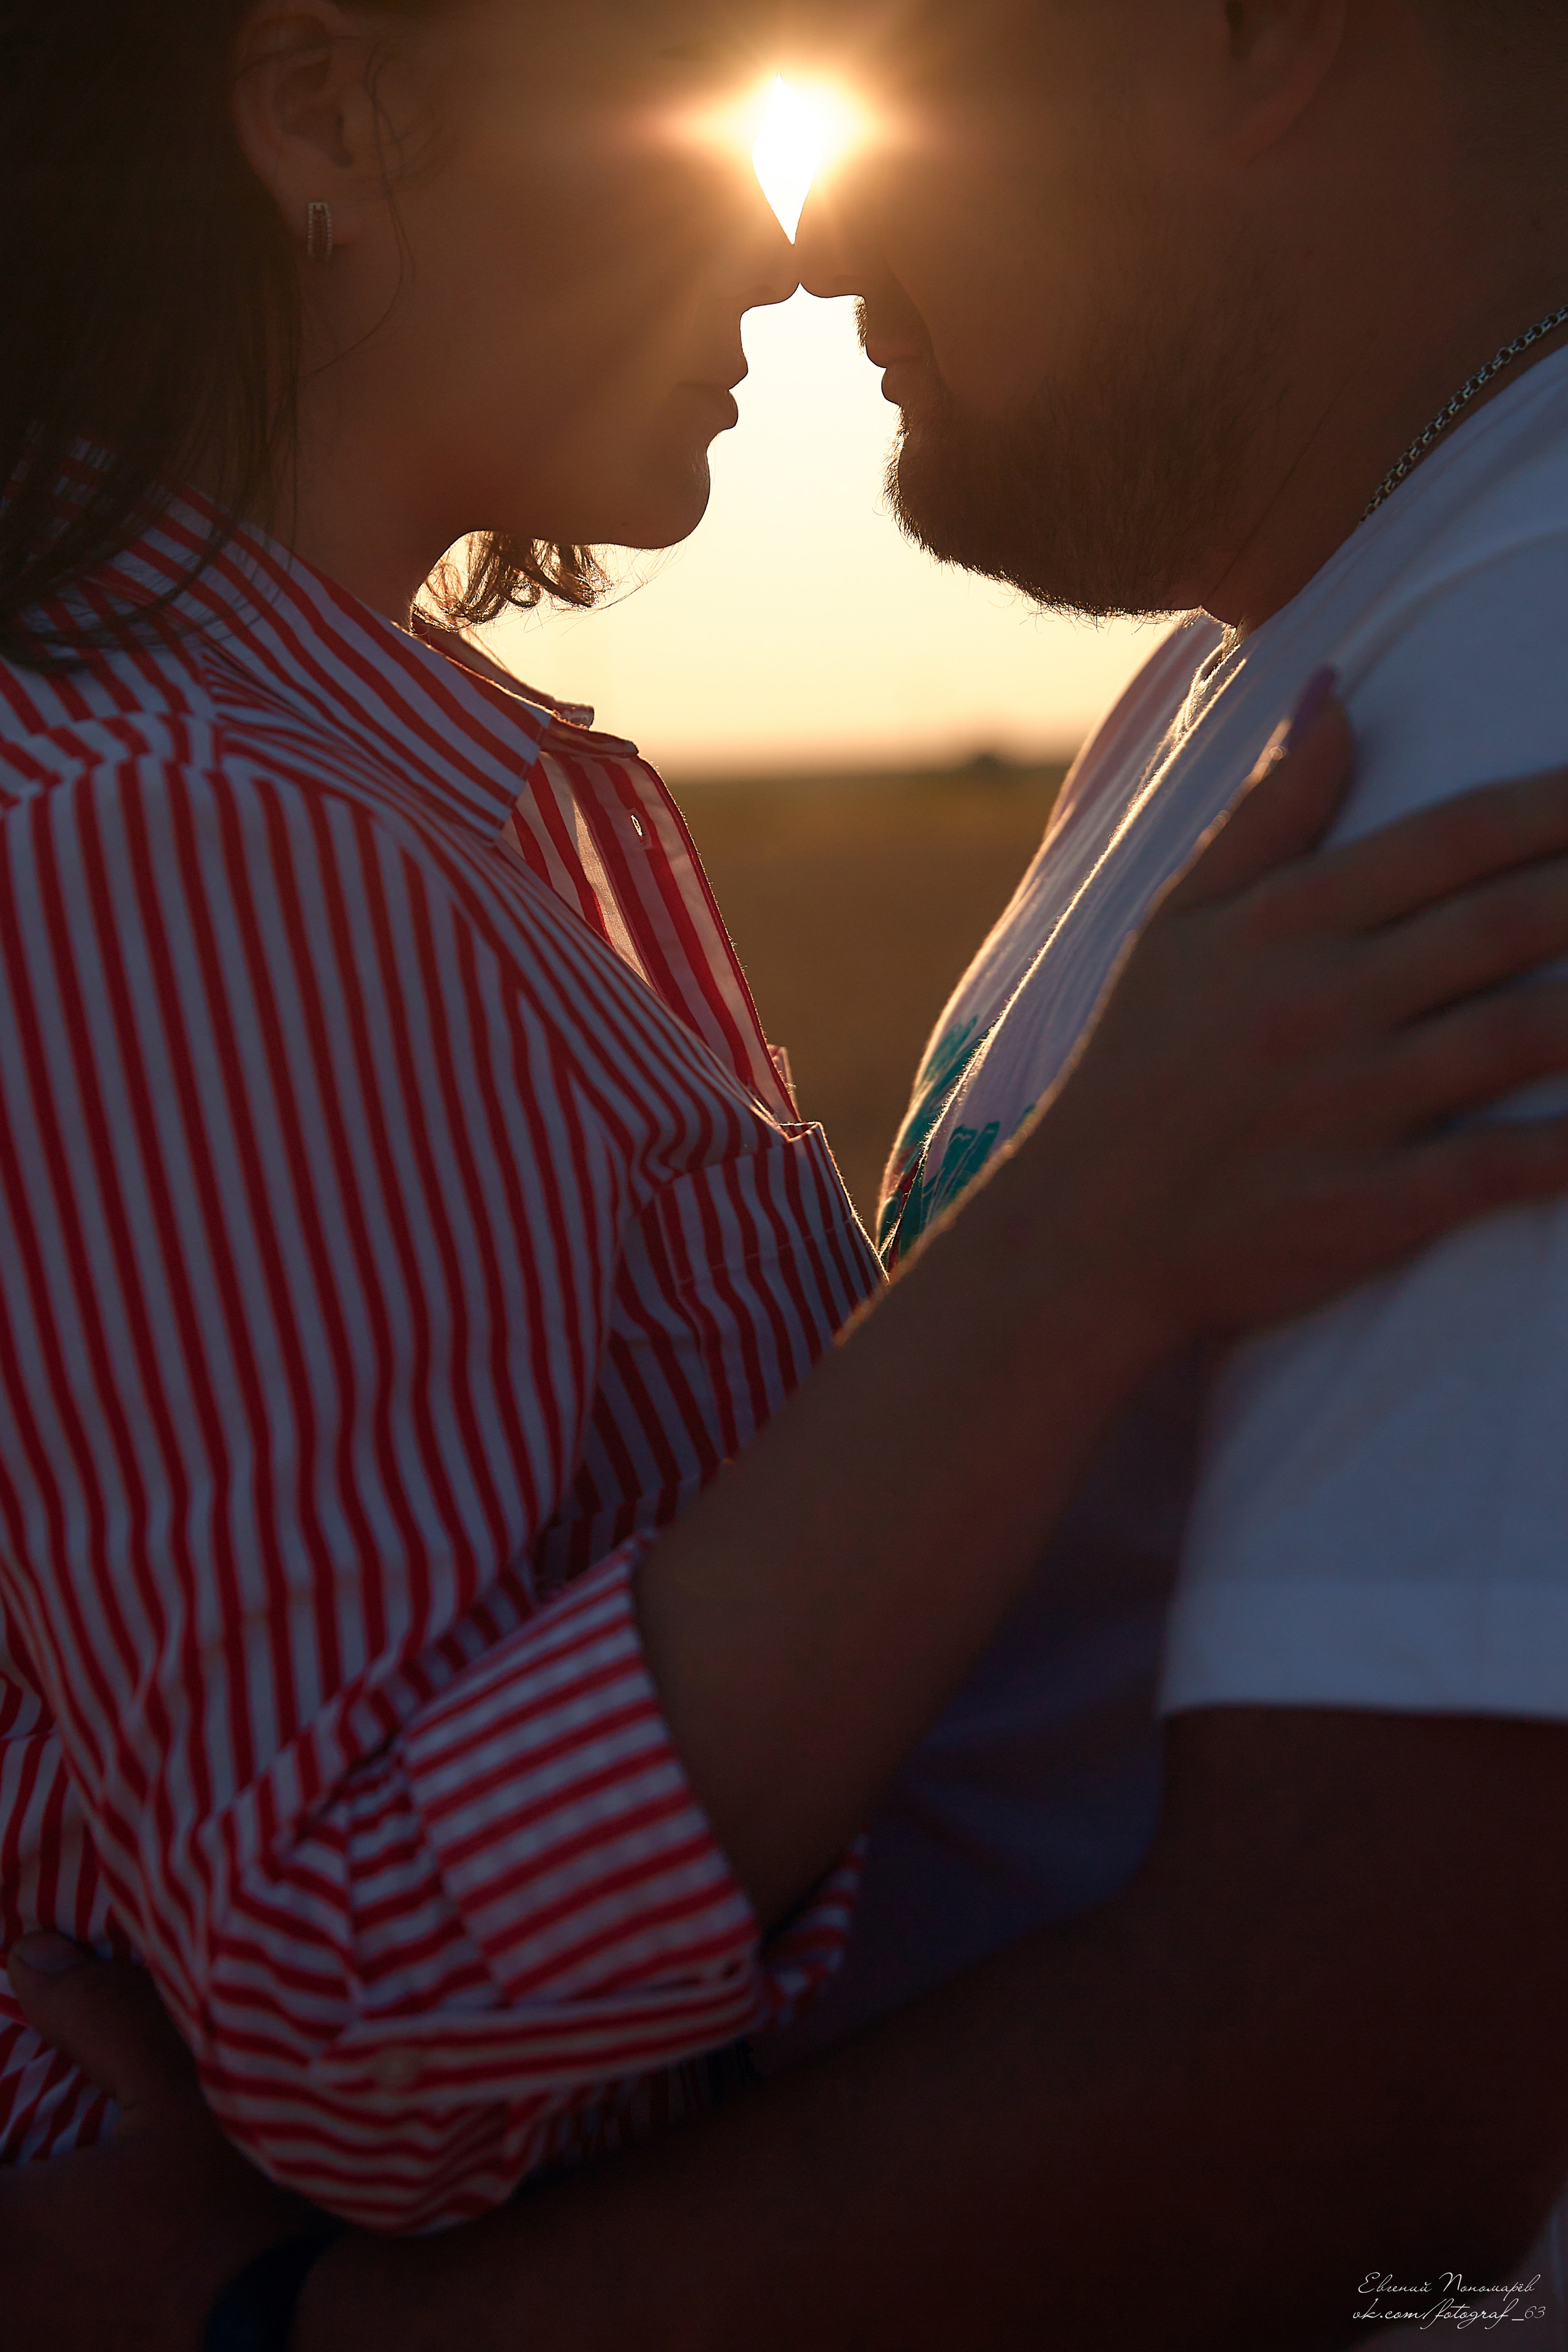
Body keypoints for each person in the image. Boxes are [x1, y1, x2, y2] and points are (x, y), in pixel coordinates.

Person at [12, 0, 1568, 2347]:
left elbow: (1368, 2058)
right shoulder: (188, 823)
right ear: (322, 110)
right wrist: (1072, 1247)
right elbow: (345, 1996)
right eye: (696, 94)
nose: (791, 241)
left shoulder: (428, 802)